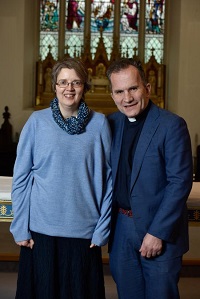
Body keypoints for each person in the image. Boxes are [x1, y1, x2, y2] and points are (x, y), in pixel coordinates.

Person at [10, 57, 112, 299]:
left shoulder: (99, 124)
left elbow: (109, 179)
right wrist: (20, 228)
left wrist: (102, 229)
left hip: (84, 233)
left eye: (76, 82)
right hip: (41, 232)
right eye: (63, 82)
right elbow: (21, 178)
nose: (69, 88)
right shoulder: (37, 122)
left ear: (85, 86)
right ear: (54, 86)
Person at [106, 58, 193, 299]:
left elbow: (179, 183)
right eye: (120, 91)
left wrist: (158, 233)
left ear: (148, 87)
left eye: (133, 88)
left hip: (158, 231)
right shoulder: (111, 123)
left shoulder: (171, 125)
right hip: (121, 228)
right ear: (112, 95)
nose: (127, 98)